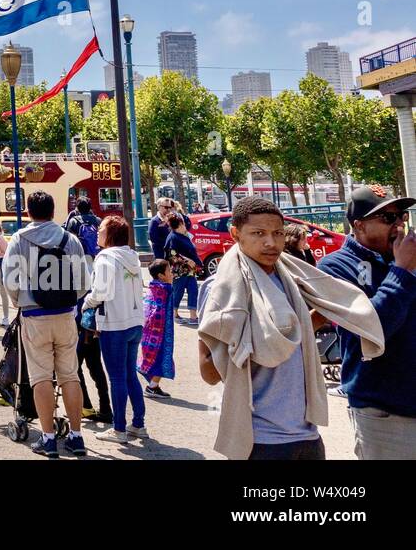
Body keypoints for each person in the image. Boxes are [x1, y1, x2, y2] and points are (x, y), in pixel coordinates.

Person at [198, 196, 383, 461]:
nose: (271, 243)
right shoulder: (220, 290)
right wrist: (242, 340)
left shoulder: (293, 279)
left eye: (278, 233)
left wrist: (338, 308)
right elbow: (208, 373)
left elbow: (295, 333)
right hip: (259, 440)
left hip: (307, 435)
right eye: (258, 233)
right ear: (235, 233)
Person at [317, 185, 416, 459]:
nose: (398, 225)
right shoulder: (334, 267)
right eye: (387, 218)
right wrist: (401, 271)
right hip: (384, 413)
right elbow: (374, 329)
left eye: (401, 215)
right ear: (358, 226)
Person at [2, 190, 90, 458]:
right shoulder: (70, 239)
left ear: (28, 211)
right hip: (65, 315)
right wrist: (68, 300)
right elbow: (84, 283)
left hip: (34, 316)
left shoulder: (18, 239)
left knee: (41, 377)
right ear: (54, 211)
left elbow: (10, 281)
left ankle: (48, 439)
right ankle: (76, 437)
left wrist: (21, 301)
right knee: (70, 375)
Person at [83, 215, 146, 444]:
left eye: (101, 229)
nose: (97, 232)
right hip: (135, 321)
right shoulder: (132, 256)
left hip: (114, 324)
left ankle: (118, 429)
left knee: (117, 377)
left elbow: (101, 292)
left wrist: (87, 303)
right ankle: (138, 424)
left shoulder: (105, 257)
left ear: (110, 234)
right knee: (130, 375)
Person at [139, 259, 175, 396]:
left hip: (150, 331)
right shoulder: (166, 289)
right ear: (161, 275)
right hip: (160, 333)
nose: (171, 274)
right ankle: (152, 387)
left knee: (154, 357)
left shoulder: (153, 287)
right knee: (162, 357)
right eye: (169, 271)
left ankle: (153, 385)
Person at [163, 214, 202, 324]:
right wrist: (187, 261)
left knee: (193, 290)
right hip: (179, 271)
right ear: (180, 224)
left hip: (190, 270)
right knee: (178, 292)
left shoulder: (182, 236)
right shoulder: (173, 237)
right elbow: (172, 254)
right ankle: (174, 313)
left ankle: (193, 316)